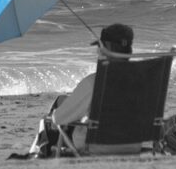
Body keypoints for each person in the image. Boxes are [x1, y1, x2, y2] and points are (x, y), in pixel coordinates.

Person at [35, 24, 134, 155]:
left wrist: (54, 118)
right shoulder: (143, 80)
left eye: (99, 47)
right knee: (63, 100)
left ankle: (38, 154)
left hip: (95, 144)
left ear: (105, 50)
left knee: (50, 120)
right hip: (133, 143)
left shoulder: (95, 82)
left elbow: (59, 119)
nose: (97, 52)